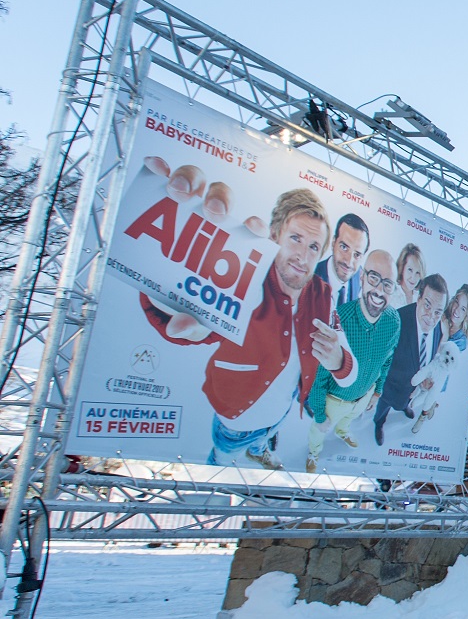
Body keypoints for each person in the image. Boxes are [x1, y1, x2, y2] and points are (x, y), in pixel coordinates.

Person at [140, 185, 355, 468]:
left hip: (278, 415)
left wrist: (338, 360)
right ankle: (219, 468)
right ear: (275, 235)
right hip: (236, 421)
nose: (303, 257)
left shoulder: (322, 293)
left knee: (264, 438)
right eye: (295, 239)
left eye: (314, 247)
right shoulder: (245, 278)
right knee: (222, 461)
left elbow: (348, 370)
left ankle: (259, 448)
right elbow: (181, 312)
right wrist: (164, 296)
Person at [304, 249, 400, 472]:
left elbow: (387, 360)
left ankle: (343, 431)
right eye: (374, 277)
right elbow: (318, 378)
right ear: (362, 278)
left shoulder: (393, 321)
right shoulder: (339, 319)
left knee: (349, 420)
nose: (379, 290)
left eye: (387, 284)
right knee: (318, 432)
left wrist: (377, 392)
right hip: (333, 401)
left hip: (363, 398)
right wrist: (320, 415)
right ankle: (313, 452)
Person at [373, 273, 447, 445]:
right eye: (427, 306)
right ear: (418, 298)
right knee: (382, 412)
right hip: (389, 388)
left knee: (405, 404)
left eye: (438, 312)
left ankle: (405, 406)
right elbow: (379, 357)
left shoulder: (438, 329)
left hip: (411, 391)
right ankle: (378, 423)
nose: (431, 316)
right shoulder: (395, 321)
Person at [316, 212, 370, 308]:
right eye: (344, 247)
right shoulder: (311, 276)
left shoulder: (361, 279)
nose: (349, 262)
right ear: (333, 243)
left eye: (357, 254)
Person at [394, 243, 425, 308]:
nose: (413, 278)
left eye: (417, 273)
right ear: (402, 267)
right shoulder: (391, 293)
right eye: (410, 270)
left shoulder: (420, 299)